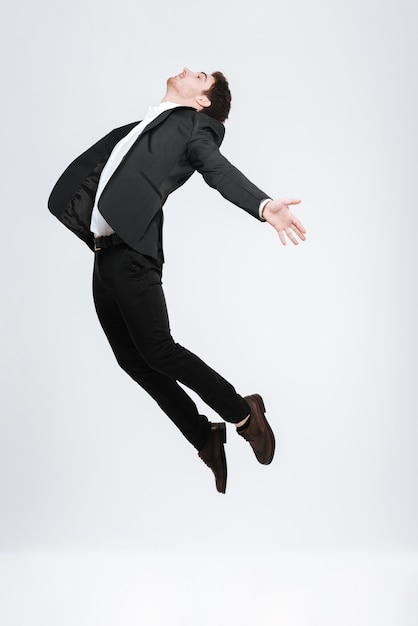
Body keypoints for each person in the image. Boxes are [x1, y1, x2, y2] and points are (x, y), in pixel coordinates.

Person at [48, 67, 306, 494]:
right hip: (104, 256)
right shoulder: (147, 125)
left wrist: (262, 205)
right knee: (133, 360)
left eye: (199, 75)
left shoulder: (194, 127)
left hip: (134, 254)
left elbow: (217, 170)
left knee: (160, 350)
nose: (187, 69)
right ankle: (204, 435)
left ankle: (243, 413)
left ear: (203, 100)